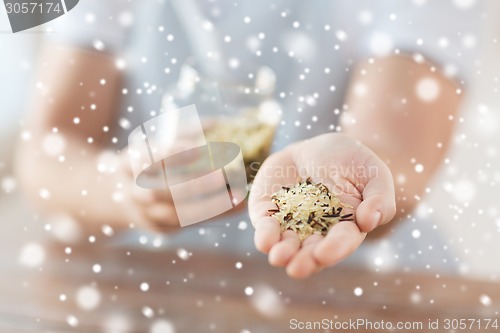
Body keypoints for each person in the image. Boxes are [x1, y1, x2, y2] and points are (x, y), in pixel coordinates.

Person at [15, 0, 485, 279]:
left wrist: (359, 175)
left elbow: (399, 150)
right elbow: (45, 152)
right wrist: (121, 193)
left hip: (352, 285)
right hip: (144, 281)